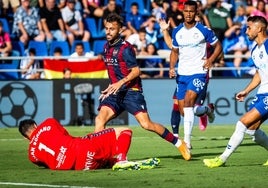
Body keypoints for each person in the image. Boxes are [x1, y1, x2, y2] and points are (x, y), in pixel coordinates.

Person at [94, 13, 191, 162]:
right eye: (106, 28)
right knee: (99, 120)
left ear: (120, 30)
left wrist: (120, 83)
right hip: (115, 92)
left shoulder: (126, 48)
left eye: (112, 29)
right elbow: (115, 72)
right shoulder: (106, 47)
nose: (108, 32)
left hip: (131, 92)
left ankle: (179, 143)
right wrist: (111, 86)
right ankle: (98, 157)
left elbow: (136, 71)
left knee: (147, 124)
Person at [203, 15, 268, 168]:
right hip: (262, 93)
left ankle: (222, 159)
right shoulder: (254, 50)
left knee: (241, 124)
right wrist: (246, 91)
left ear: (259, 29)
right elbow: (259, 74)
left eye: (249, 27)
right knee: (252, 132)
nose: (246, 31)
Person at [169, 1, 222, 149]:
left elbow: (218, 46)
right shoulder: (177, 31)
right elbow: (174, 51)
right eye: (186, 11)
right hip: (182, 74)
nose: (188, 14)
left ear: (196, 13)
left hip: (199, 72)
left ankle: (187, 142)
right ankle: (207, 110)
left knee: (188, 103)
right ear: (183, 12)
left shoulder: (204, 30)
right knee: (185, 112)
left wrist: (211, 60)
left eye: (191, 11)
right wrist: (172, 67)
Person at [18, 117, 160, 170]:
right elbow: (66, 136)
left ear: (26, 138)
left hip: (81, 167)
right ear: (36, 125)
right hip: (84, 149)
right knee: (124, 131)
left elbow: (46, 163)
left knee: (101, 155)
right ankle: (121, 159)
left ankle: (112, 160)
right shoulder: (48, 122)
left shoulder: (32, 156)